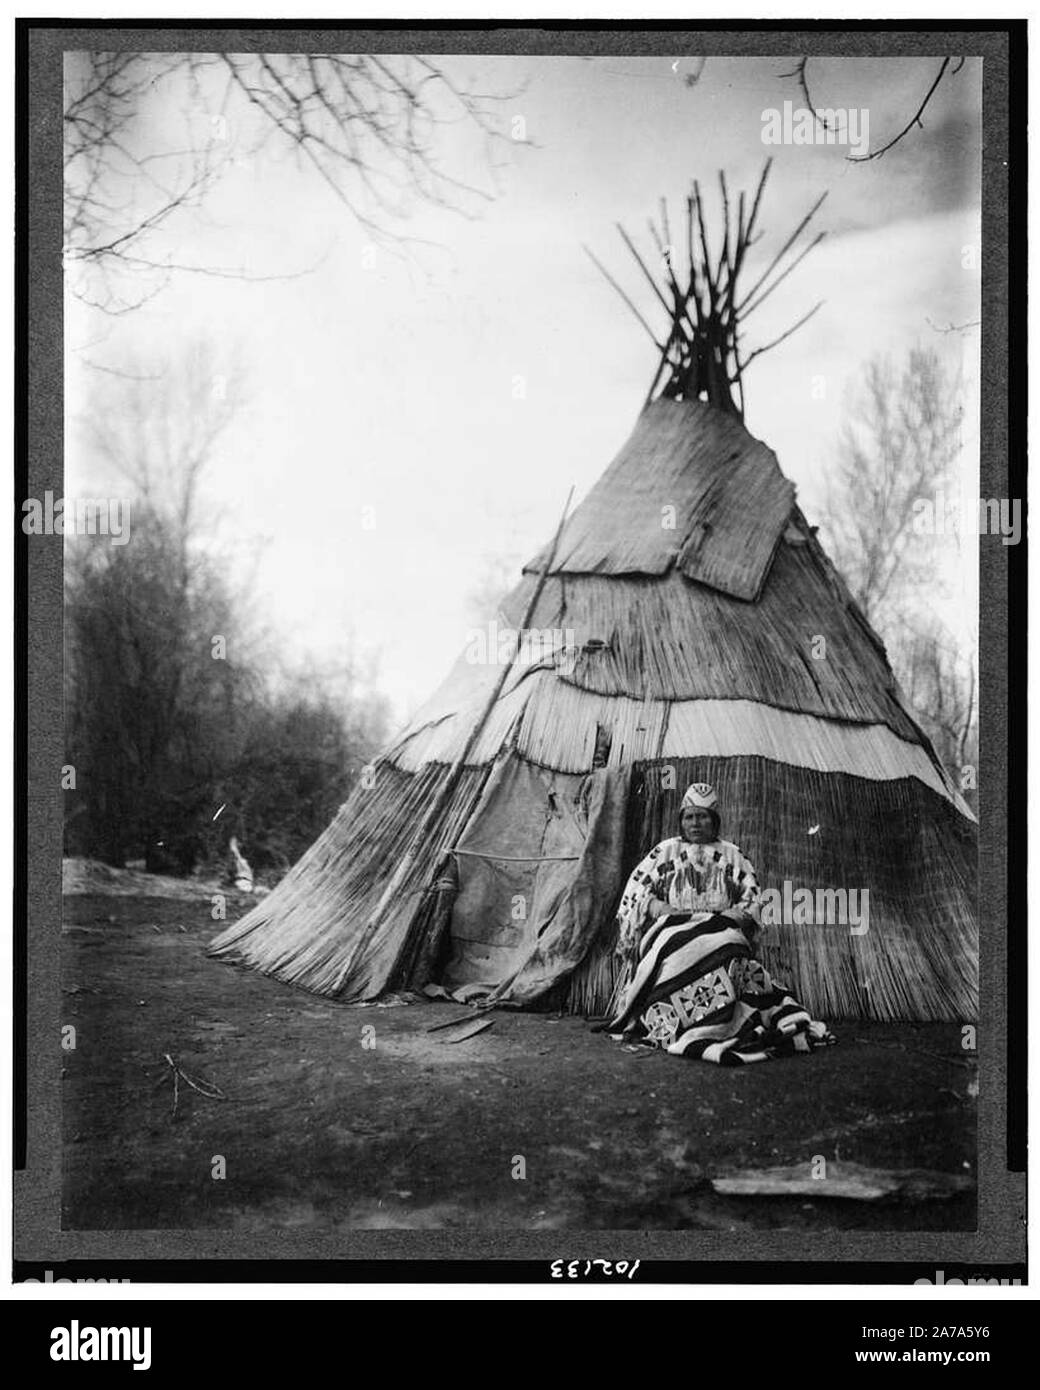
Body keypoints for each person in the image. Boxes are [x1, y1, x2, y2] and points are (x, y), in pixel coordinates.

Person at [607, 782, 835, 1064]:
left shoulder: (732, 854)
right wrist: (662, 908)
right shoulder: (664, 852)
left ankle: (718, 1020)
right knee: (668, 946)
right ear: (681, 821)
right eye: (689, 817)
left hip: (720, 930)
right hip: (674, 928)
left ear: (714, 820)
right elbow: (636, 894)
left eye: (703, 816)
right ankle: (672, 1019)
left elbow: (753, 899)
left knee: (727, 944)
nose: (696, 823)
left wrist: (733, 915)